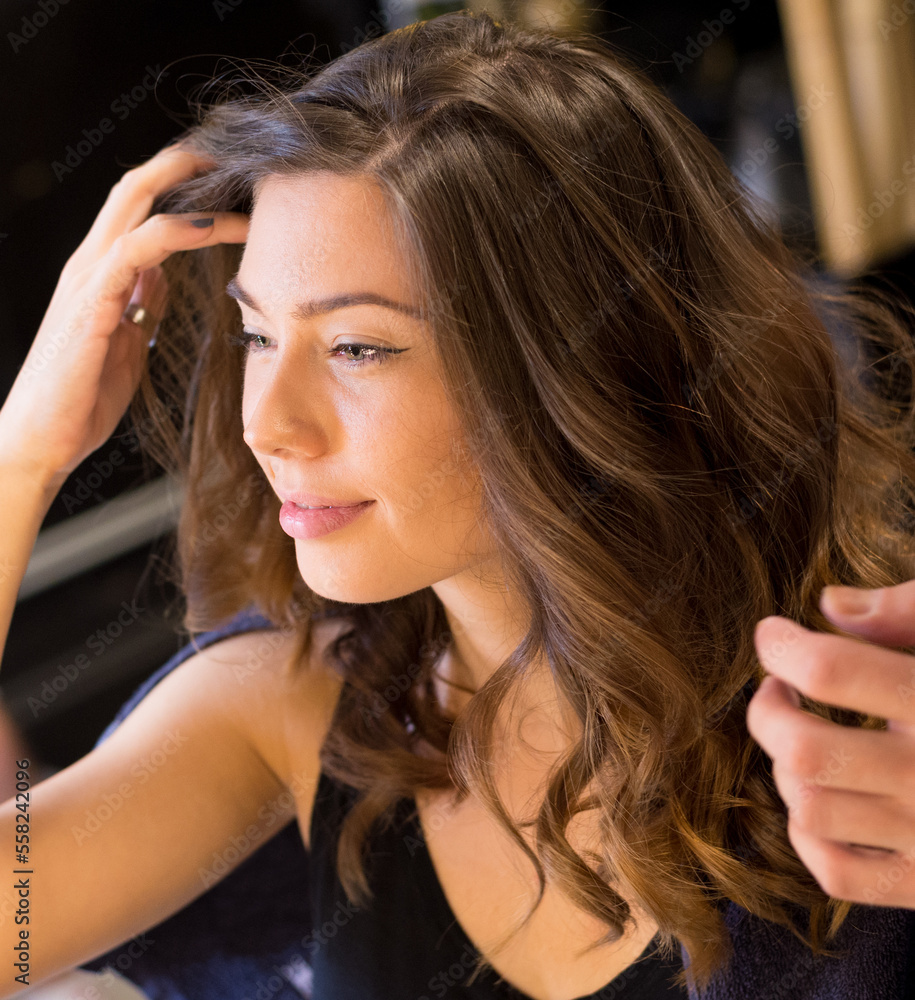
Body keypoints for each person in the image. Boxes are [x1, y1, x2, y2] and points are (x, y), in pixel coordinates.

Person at [1, 9, 914, 999]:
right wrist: (23, 459)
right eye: (257, 336)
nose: (268, 423)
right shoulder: (291, 706)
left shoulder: (868, 705)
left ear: (577, 365)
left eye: (357, 347)